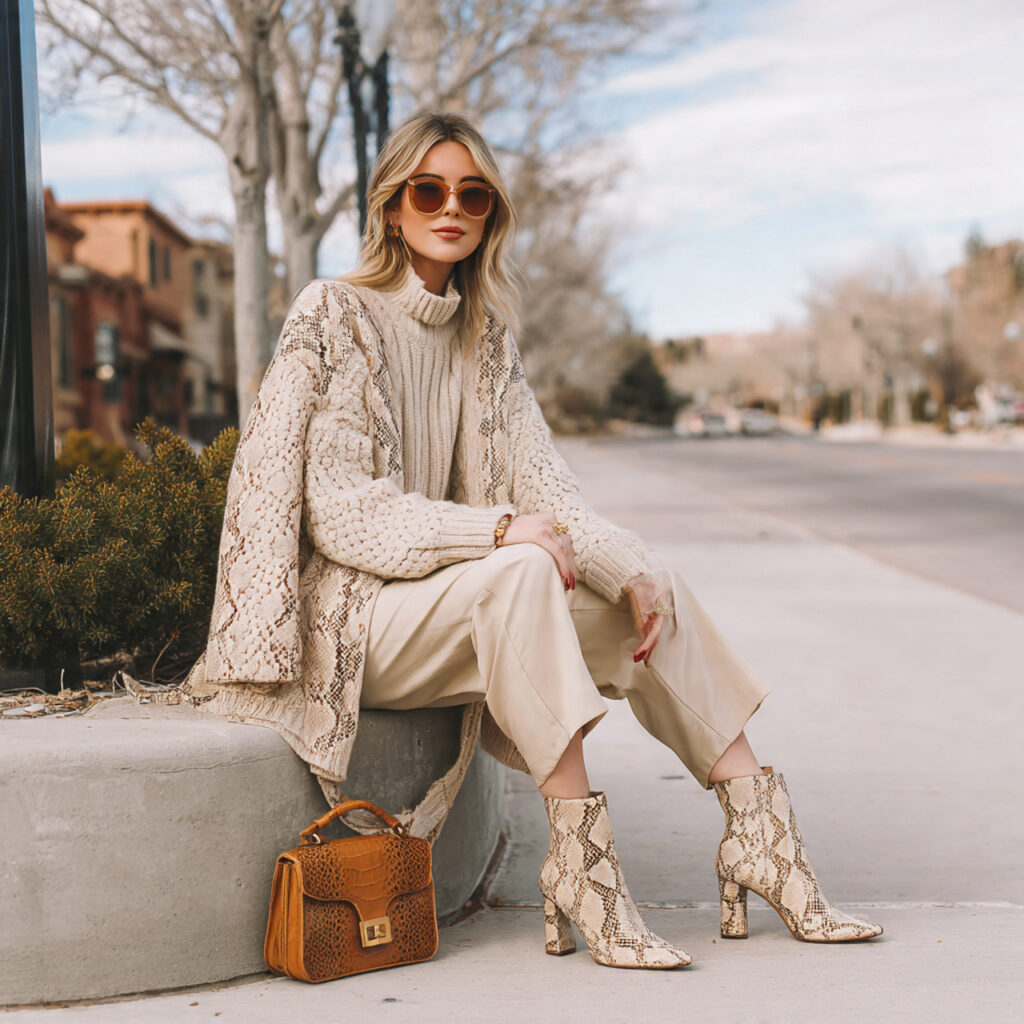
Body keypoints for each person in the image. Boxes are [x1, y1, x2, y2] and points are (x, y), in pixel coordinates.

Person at [184, 111, 881, 970]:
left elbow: (549, 494)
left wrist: (625, 567)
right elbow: (345, 515)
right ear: (391, 208)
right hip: (361, 627)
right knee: (518, 568)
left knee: (648, 585)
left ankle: (761, 839)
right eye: (428, 190)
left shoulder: (487, 345)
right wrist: (499, 529)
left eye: (472, 194)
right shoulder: (335, 315)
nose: (451, 208)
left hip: (463, 608)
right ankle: (583, 870)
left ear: (490, 216)